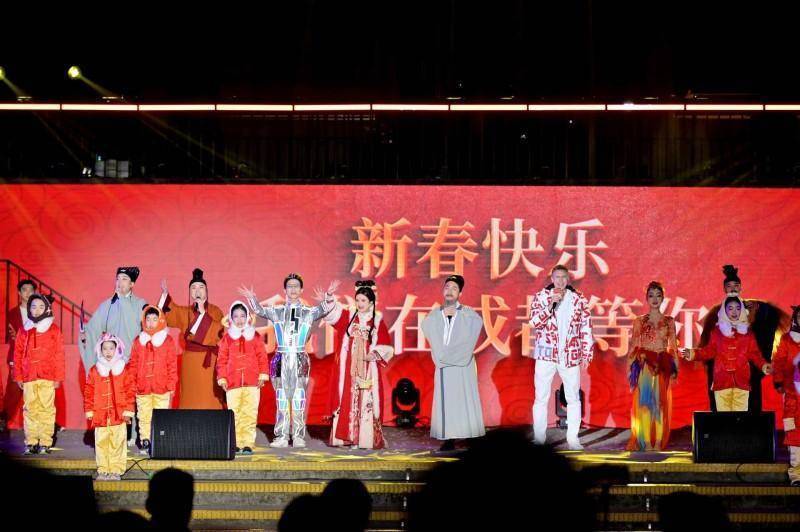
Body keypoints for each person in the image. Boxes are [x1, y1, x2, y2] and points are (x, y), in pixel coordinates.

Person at [238, 274, 338, 448]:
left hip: (299, 358)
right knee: (282, 400)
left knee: (299, 399)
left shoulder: (308, 312)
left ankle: (298, 436)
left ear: (301, 290)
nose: (293, 289)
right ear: (284, 290)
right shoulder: (277, 311)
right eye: (290, 286)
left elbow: (324, 309)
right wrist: (251, 298)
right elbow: (260, 311)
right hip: (281, 358)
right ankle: (281, 437)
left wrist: (328, 296)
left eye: (296, 286)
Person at [699, 264, 789, 411]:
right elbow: (708, 349)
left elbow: (759, 347)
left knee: (748, 411)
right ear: (724, 289)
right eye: (729, 286)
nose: (733, 289)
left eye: (736, 286)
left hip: (745, 373)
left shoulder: (756, 309)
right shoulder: (716, 314)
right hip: (723, 374)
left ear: (741, 288)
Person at [529, 264, 594, 450]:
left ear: (568, 279)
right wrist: (550, 305)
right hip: (546, 354)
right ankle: (539, 438)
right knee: (541, 397)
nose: (560, 281)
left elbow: (586, 327)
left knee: (573, 397)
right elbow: (534, 322)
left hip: (570, 354)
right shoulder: (542, 297)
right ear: (552, 279)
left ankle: (573, 439)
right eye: (557, 277)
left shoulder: (579, 299)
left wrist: (587, 352)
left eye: (563, 277)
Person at [324, 280, 394, 449]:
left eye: (363, 300)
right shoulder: (349, 316)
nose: (360, 304)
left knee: (365, 401)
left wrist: (374, 353)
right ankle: (346, 438)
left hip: (367, 367)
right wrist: (329, 296)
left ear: (371, 302)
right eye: (357, 300)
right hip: (349, 367)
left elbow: (385, 343)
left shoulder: (377, 320)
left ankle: (364, 439)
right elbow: (332, 315)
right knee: (348, 398)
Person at [420, 274, 485, 451]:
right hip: (445, 366)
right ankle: (449, 438)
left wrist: (458, 316)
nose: (450, 291)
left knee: (465, 398)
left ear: (460, 293)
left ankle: (471, 435)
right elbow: (427, 327)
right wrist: (442, 317)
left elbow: (476, 326)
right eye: (447, 287)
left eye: (454, 288)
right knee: (447, 401)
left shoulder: (467, 313)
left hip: (463, 366)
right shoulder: (435, 314)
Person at [683, 295, 772, 411]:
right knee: (724, 419)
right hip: (722, 383)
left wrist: (764, 365)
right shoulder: (717, 332)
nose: (734, 312)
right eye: (730, 308)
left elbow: (755, 354)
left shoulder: (748, 334)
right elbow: (708, 351)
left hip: (742, 383)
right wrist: (693, 354)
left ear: (742, 311)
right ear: (724, 311)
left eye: (738, 308)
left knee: (739, 419)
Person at [159, 268, 225, 409]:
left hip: (209, 362)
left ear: (206, 291)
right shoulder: (185, 312)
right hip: (190, 362)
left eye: (201, 287)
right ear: (190, 292)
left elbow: (219, 332)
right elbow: (171, 312)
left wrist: (203, 315)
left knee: (209, 399)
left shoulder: (215, 311)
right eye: (193, 288)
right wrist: (165, 296)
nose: (197, 291)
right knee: (190, 397)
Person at [626, 281, 679, 451]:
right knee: (645, 405)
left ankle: (658, 442)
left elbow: (673, 347)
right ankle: (647, 442)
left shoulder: (669, 321)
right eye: (651, 296)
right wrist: (630, 369)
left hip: (663, 365)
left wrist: (675, 369)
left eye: (658, 295)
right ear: (646, 299)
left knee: (660, 405)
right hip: (645, 364)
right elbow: (634, 345)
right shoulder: (640, 321)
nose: (655, 299)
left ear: (663, 298)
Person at [13, 293, 64, 454]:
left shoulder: (53, 329)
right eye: (33, 306)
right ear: (29, 309)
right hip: (29, 377)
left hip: (47, 376)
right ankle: (31, 441)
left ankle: (45, 441)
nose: (37, 310)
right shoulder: (24, 329)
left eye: (41, 306)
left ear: (47, 309)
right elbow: (18, 354)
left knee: (46, 409)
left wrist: (58, 377)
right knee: (30, 409)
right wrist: (18, 376)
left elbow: (59, 355)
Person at [216, 301, 269, 454]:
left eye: (242, 316)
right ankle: (236, 443)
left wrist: (262, 374)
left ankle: (248, 444)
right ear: (231, 318)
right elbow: (221, 360)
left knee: (250, 413)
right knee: (235, 413)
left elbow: (262, 356)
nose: (239, 319)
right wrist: (222, 378)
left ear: (247, 318)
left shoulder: (255, 336)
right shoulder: (227, 338)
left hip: (252, 382)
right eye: (236, 316)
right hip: (232, 383)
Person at [84, 333, 135, 480]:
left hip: (118, 414)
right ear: (100, 350)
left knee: (117, 442)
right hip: (100, 414)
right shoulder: (95, 370)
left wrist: (128, 410)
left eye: (111, 348)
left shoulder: (123, 369)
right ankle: (103, 469)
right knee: (101, 443)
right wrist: (89, 410)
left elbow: (130, 390)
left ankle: (116, 470)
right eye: (105, 348)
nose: (108, 352)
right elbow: (88, 391)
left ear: (117, 349)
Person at [128, 305, 178, 455]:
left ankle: (160, 441)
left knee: (160, 415)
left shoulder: (167, 340)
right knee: (143, 415)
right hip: (142, 387)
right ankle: (145, 440)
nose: (150, 323)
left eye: (154, 319)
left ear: (160, 320)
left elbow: (172, 364)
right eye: (148, 319)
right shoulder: (139, 341)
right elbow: (133, 364)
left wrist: (171, 384)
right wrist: (133, 384)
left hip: (161, 387)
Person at [772, 304, 800, 485]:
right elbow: (779, 362)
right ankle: (796, 475)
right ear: (795, 318)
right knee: (794, 436)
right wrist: (778, 381)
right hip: (792, 396)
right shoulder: (787, 339)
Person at [3, 279, 36, 430]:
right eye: (24, 290)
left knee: (39, 391)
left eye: (31, 290)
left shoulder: (38, 312)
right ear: (19, 293)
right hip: (17, 357)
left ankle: (45, 422)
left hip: (36, 358)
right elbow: (14, 337)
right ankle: (4, 419)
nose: (28, 293)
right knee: (13, 391)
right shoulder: (13, 313)